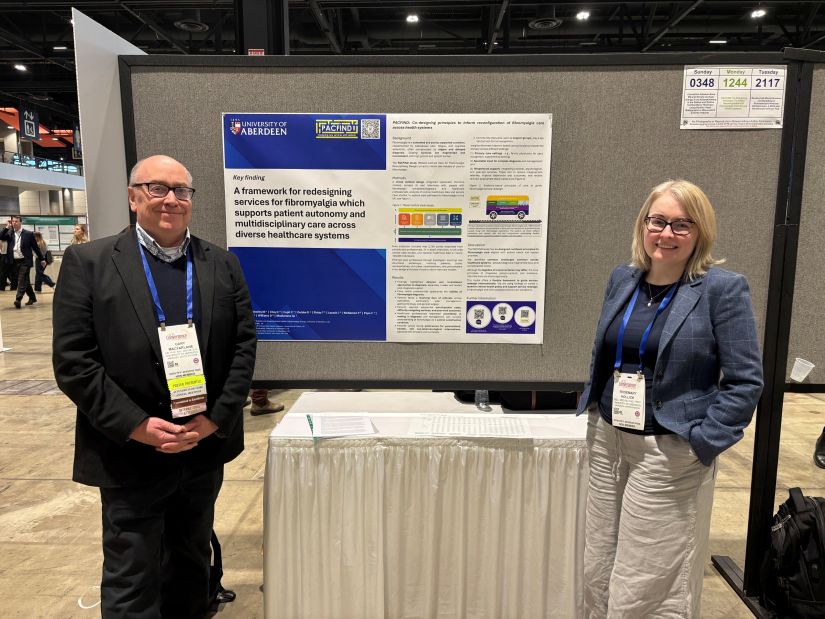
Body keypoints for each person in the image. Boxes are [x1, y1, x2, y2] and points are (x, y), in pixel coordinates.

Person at [53, 155, 256, 617]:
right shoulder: (89, 262)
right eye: (156, 188)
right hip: (129, 453)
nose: (170, 199)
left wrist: (214, 422)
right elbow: (74, 363)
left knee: (190, 565)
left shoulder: (221, 265)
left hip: (201, 450)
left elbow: (244, 349)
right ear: (132, 197)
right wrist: (138, 426)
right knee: (132, 578)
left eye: (181, 191)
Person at [576, 179, 763, 617]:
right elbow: (607, 350)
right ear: (643, 224)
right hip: (607, 439)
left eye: (682, 225)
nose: (666, 234)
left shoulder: (722, 289)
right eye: (658, 221)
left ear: (701, 232)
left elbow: (745, 380)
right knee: (598, 563)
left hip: (667, 448)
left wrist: (702, 442)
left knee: (645, 575)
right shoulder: (624, 277)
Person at [0, 215, 46, 308]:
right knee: (25, 280)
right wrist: (7, 227)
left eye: (16, 221)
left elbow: (35, 248)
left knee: (21, 279)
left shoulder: (28, 234)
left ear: (21, 222)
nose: (14, 223)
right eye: (13, 221)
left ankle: (18, 299)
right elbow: (1, 236)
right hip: (14, 261)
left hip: (25, 260)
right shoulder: (10, 233)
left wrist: (42, 259)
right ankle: (32, 297)